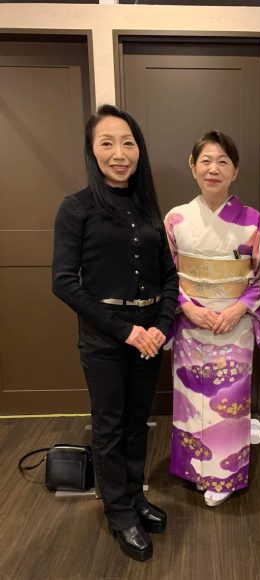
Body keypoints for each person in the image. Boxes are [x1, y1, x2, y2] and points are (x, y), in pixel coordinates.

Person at [52, 104, 178, 560]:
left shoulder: (147, 207)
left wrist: (160, 327)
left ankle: (134, 495)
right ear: (92, 150)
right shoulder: (76, 208)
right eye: (107, 143)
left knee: (137, 422)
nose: (119, 153)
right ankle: (119, 512)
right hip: (105, 338)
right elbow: (63, 282)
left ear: (139, 150)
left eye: (128, 143)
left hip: (149, 338)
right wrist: (126, 331)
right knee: (108, 426)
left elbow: (169, 277)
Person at [164, 131, 260, 507]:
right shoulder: (176, 218)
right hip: (191, 322)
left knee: (230, 401)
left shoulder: (253, 220)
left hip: (234, 324)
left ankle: (224, 477)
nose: (214, 169)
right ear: (192, 167)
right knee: (191, 398)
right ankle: (195, 469)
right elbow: (166, 274)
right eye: (206, 161)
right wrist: (186, 306)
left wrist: (239, 309)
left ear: (235, 171)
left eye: (223, 161)